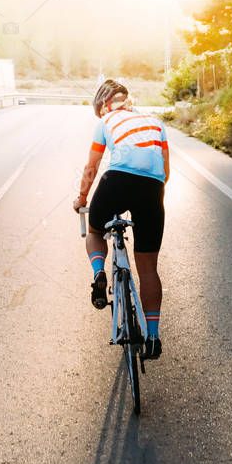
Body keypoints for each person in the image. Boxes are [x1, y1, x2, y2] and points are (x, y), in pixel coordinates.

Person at [73, 79, 169, 360]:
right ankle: (152, 337)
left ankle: (99, 273)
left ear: (104, 105)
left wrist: (81, 199)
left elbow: (91, 167)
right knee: (149, 268)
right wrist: (150, 196)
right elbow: (165, 170)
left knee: (94, 230)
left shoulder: (105, 122)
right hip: (153, 189)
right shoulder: (155, 122)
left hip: (115, 182)